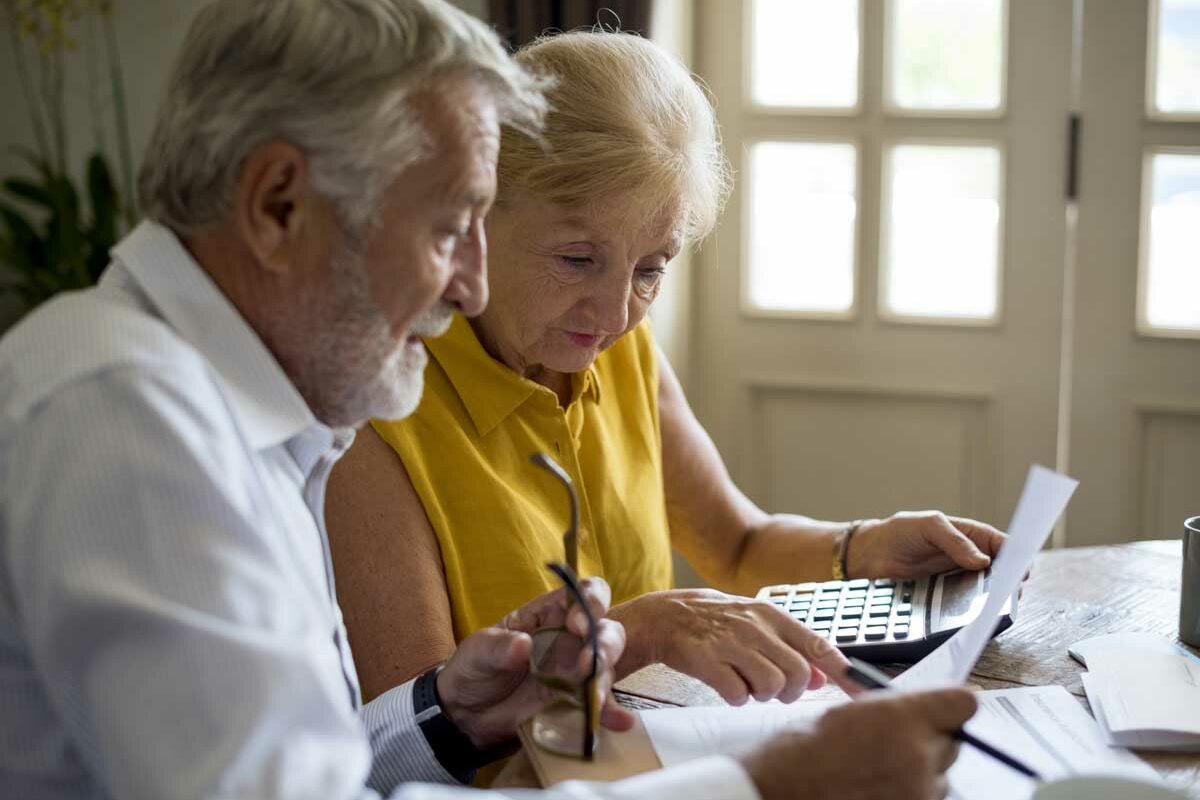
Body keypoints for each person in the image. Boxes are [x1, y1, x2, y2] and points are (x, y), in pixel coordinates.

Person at [0, 2, 977, 799]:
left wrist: (451, 708)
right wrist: (766, 782)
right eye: (448, 226)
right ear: (277, 205)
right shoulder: (131, 418)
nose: (470, 286)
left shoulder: (250, 417)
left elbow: (316, 766)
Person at [326, 30, 1008, 710]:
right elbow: (414, 728)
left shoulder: (617, 346)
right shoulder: (380, 408)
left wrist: (867, 549)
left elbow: (738, 546)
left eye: (652, 268)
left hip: (658, 755)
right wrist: (637, 633)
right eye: (576, 259)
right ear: (477, 216)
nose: (619, 312)